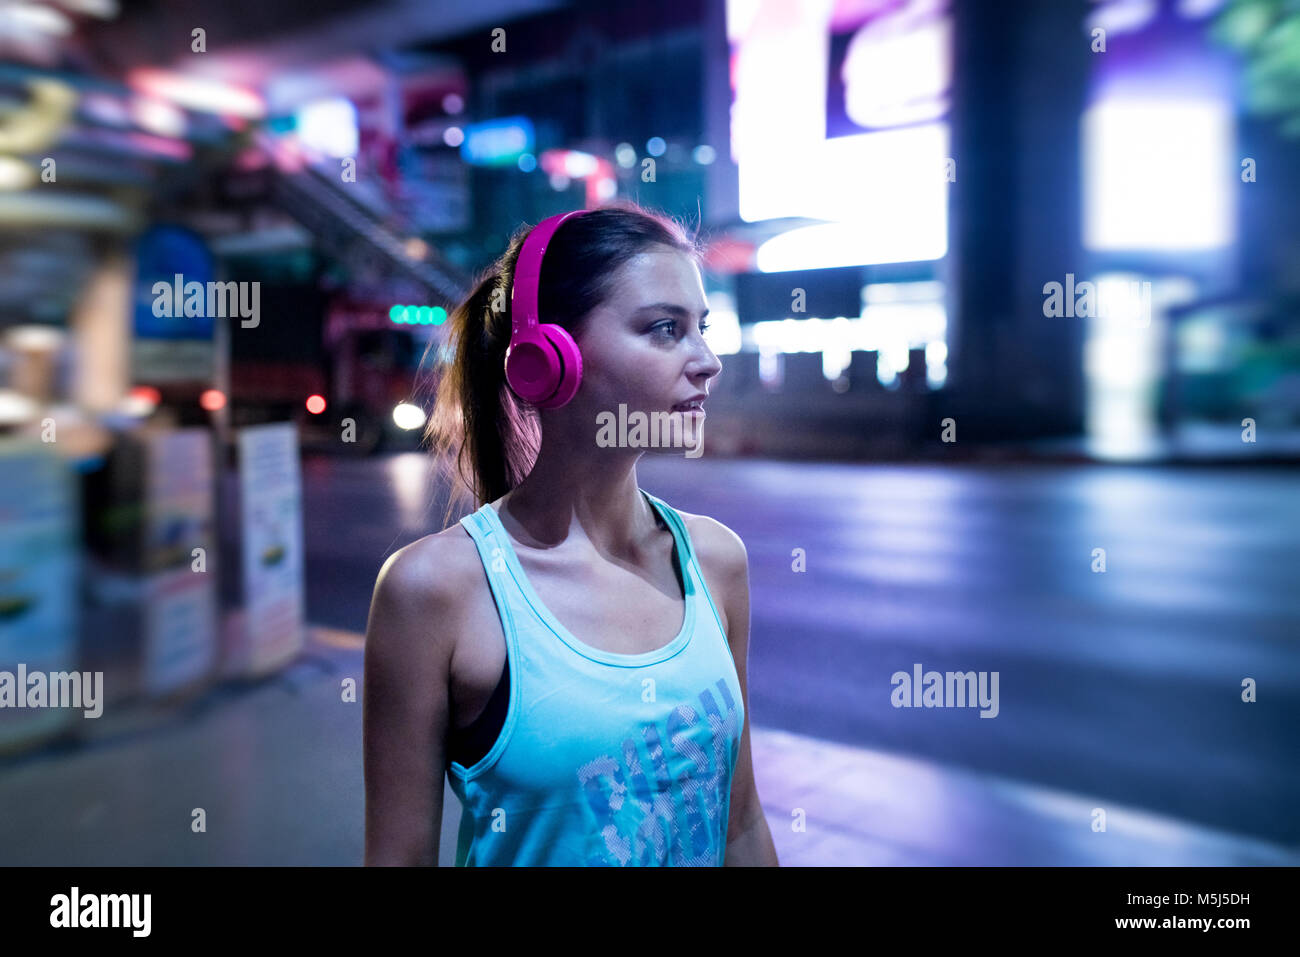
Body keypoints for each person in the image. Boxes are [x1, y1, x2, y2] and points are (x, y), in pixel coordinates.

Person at [363, 201, 778, 866]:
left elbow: (741, 823)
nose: (707, 361)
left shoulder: (716, 561)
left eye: (703, 327)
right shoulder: (434, 591)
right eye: (665, 329)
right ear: (545, 359)